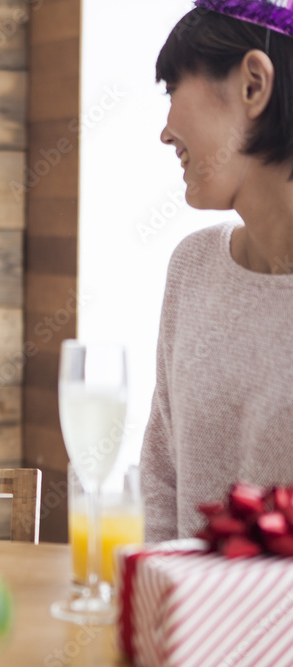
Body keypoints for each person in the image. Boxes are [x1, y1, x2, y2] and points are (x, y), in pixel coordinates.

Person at [142, 0, 293, 542]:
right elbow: (161, 477)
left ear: (253, 84)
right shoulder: (194, 266)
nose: (165, 131)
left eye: (172, 89)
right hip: (186, 624)